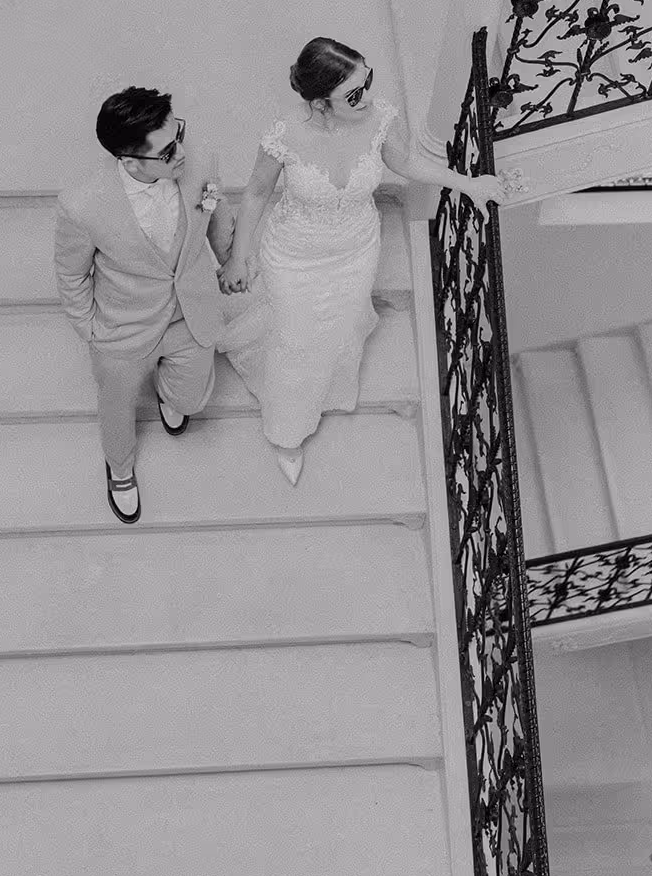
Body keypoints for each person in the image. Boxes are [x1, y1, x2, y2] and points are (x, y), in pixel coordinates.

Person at [216, 38, 505, 484]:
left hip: (356, 249)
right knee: (296, 339)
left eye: (366, 82)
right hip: (294, 255)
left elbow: (406, 164)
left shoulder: (380, 118)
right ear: (320, 103)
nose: (367, 98)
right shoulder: (284, 135)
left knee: (340, 323)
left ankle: (326, 382)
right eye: (353, 94)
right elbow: (255, 195)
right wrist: (238, 258)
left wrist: (469, 185)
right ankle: (288, 431)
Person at [54, 87, 235, 524]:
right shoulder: (81, 205)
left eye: (179, 134)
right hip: (123, 327)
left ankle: (171, 394)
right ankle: (119, 470)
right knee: (116, 409)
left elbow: (214, 207)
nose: (182, 154)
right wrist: (90, 330)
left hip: (189, 309)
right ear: (130, 161)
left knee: (190, 399)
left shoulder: (200, 161)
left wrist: (227, 256)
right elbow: (71, 274)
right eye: (168, 151)